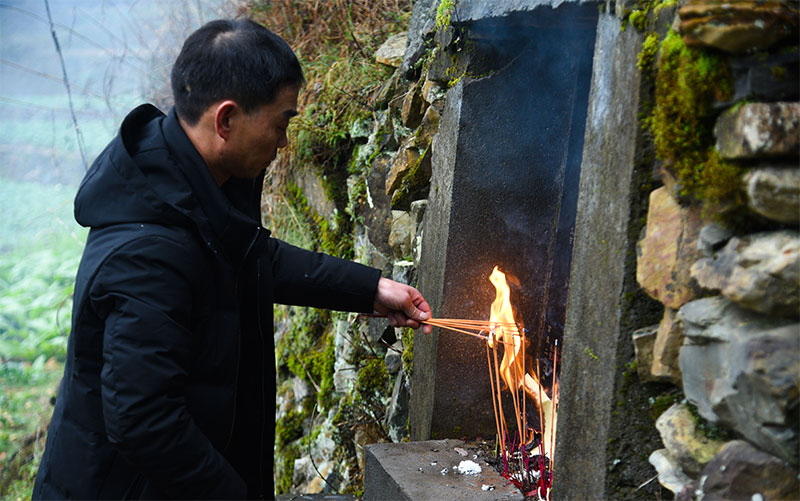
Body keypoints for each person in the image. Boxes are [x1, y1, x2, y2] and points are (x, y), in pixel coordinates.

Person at [33, 18, 431, 499]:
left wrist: (370, 288)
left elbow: (254, 257)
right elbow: (143, 420)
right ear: (226, 120)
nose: (285, 142)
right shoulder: (147, 255)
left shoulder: (188, 186)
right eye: (281, 121)